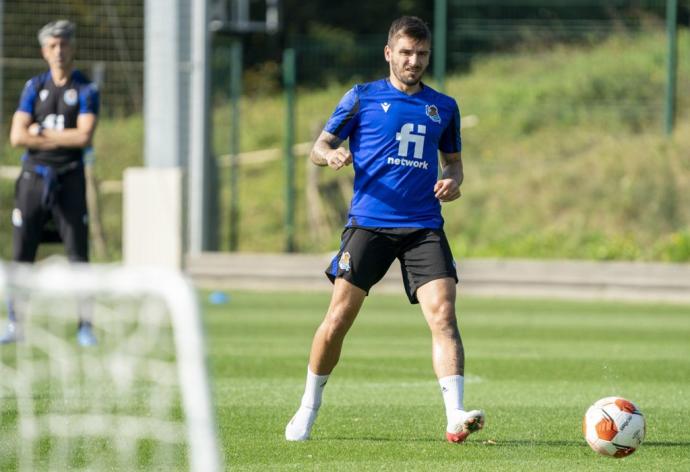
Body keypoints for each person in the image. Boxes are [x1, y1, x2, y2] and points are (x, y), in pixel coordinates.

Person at [285, 16, 484, 443]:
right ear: (389, 53)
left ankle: (454, 415)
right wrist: (330, 155)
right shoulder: (362, 97)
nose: (415, 61)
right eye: (407, 53)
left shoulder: (443, 106)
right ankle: (307, 407)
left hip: (423, 226)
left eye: (423, 54)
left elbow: (454, 162)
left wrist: (453, 180)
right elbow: (319, 146)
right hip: (370, 224)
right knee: (338, 318)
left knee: (444, 314)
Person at [1, 20, 99, 346]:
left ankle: (85, 326)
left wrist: (40, 134)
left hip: (69, 180)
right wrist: (60, 138)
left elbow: (84, 136)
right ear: (44, 51)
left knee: (78, 256)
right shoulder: (33, 87)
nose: (59, 51)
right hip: (32, 179)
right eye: (53, 46)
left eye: (64, 45)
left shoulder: (86, 89)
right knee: (22, 254)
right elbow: (16, 136)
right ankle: (16, 324)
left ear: (73, 48)